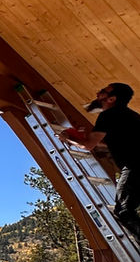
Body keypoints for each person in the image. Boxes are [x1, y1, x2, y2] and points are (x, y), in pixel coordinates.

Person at [60, 82, 140, 246]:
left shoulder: (108, 116)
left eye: (103, 92)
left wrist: (67, 137)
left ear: (111, 99)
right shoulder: (129, 115)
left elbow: (88, 145)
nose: (98, 93)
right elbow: (115, 143)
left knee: (124, 211)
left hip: (135, 166)